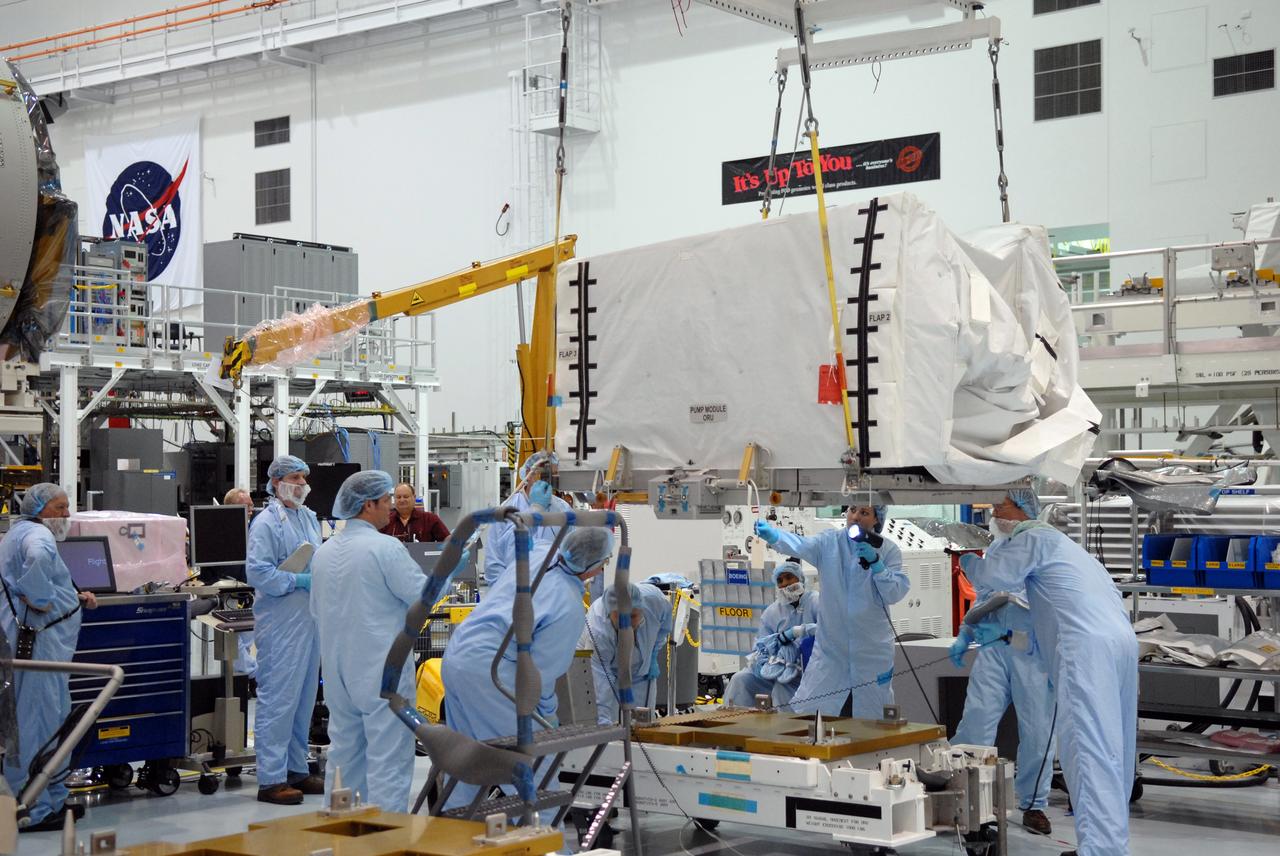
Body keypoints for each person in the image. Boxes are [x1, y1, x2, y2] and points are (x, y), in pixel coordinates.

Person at [959, 489, 1137, 856]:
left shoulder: (1033, 537)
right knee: (1112, 749)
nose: (994, 514)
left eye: (999, 507)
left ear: (1023, 508)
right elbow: (1045, 622)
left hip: (1084, 650)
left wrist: (966, 560)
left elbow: (993, 575)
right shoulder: (1064, 548)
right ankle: (1108, 845)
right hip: (1116, 643)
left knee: (1089, 750)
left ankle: (1100, 850)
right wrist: (1008, 635)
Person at [441, 526, 613, 814]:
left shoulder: (538, 556)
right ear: (593, 567)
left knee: (466, 762)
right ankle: (545, 843)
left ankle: (458, 838)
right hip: (492, 674)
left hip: (458, 655)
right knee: (535, 769)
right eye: (604, 563)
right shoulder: (568, 605)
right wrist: (546, 717)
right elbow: (540, 675)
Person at [312, 471, 435, 811]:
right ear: (368, 505)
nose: (391, 510)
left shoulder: (323, 553)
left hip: (339, 674)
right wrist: (446, 574)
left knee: (344, 757)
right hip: (383, 673)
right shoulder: (385, 548)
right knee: (389, 760)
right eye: (386, 502)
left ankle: (340, 835)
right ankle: (385, 841)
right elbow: (422, 596)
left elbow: (317, 611)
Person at [0, 484, 97, 831]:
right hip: (38, 648)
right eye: (60, 507)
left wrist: (73, 596)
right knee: (37, 726)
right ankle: (32, 810)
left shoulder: (20, 532)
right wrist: (39, 597)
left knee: (49, 722)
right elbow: (38, 561)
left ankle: (50, 800)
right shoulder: (38, 537)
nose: (67, 515)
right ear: (41, 509)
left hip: (42, 648)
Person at [754, 505, 909, 717]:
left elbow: (894, 593)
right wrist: (774, 535)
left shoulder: (888, 550)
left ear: (876, 520)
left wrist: (877, 565)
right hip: (831, 651)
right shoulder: (829, 543)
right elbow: (800, 545)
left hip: (871, 650)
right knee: (816, 714)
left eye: (864, 513)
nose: (855, 517)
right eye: (853, 510)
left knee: (872, 719)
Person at [949, 575, 1057, 836]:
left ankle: (1033, 804)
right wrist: (966, 632)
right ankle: (961, 795)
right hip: (994, 650)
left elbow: (1054, 625)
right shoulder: (998, 556)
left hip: (1033, 655)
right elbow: (982, 599)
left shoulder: (1048, 563)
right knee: (976, 724)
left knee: (1038, 734)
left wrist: (1013, 637)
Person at [247, 455, 323, 805]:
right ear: (276, 482)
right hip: (280, 623)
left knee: (303, 702)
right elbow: (259, 573)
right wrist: (298, 580)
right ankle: (271, 778)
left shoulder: (307, 517)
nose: (302, 484)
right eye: (295, 477)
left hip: (308, 621)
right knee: (278, 701)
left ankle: (296, 770)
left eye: (304, 477)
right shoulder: (265, 523)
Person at [723, 560, 819, 709]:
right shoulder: (772, 612)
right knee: (740, 679)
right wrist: (767, 664)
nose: (785, 584)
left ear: (800, 578)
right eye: (780, 581)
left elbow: (830, 631)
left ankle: (789, 729)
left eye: (789, 577)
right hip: (779, 670)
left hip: (810, 671)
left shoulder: (815, 601)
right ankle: (733, 724)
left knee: (782, 687)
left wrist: (800, 631)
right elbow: (760, 647)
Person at [583, 582, 672, 724]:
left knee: (643, 722)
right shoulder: (598, 631)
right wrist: (603, 720)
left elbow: (664, 626)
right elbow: (600, 678)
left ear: (642, 609)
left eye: (633, 616)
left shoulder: (655, 602)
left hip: (641, 672)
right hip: (607, 670)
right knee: (610, 721)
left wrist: (654, 653)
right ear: (609, 612)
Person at [483, 451, 573, 587]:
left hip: (552, 591)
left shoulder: (563, 509)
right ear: (528, 474)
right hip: (514, 592)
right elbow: (494, 564)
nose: (546, 479)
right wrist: (507, 595)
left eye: (552, 474)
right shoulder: (506, 510)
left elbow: (571, 554)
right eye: (541, 472)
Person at [223, 487, 257, 679]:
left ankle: (247, 675)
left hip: (249, 591)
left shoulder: (255, 529)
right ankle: (249, 675)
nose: (250, 509)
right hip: (227, 591)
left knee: (246, 637)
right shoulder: (220, 533)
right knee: (235, 639)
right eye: (245, 506)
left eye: (251, 505)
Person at [380, 483, 450, 543]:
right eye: (398, 497)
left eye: (406, 496)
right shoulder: (385, 521)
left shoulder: (430, 519)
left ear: (414, 497)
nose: (402, 500)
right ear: (394, 499)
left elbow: (448, 542)